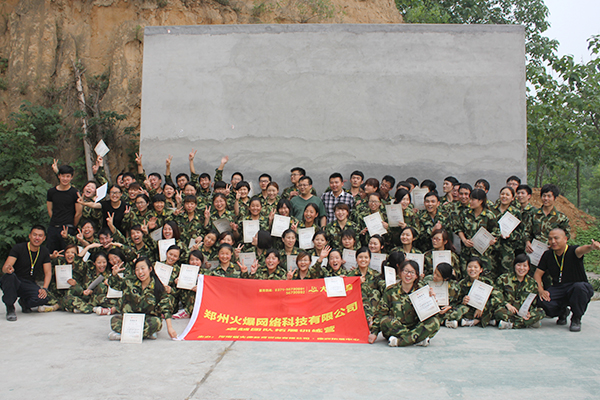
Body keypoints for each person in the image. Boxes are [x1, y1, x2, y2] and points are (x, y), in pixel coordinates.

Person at [534, 228, 598, 332]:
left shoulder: (573, 251)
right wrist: (541, 290)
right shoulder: (548, 254)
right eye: (550, 239)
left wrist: (591, 247)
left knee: (579, 288)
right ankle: (562, 312)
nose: (553, 241)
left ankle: (576, 318)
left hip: (577, 287)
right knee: (542, 301)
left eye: (556, 238)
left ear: (565, 239)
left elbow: (582, 250)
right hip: (559, 288)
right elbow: (537, 274)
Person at [368, 260, 441, 347]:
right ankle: (417, 339)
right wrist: (374, 332)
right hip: (396, 327)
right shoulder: (391, 290)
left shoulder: (422, 290)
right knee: (385, 321)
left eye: (412, 272)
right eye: (406, 271)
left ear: (416, 275)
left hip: (415, 326)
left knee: (435, 322)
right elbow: (381, 313)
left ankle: (399, 342)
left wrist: (432, 301)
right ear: (400, 273)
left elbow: (431, 315)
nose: (408, 275)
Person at [107, 256, 177, 340]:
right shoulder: (130, 282)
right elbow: (115, 284)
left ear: (150, 269)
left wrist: (170, 328)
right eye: (137, 269)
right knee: (114, 320)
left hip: (147, 319)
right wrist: (114, 274)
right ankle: (145, 334)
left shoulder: (158, 287)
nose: (140, 272)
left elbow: (166, 307)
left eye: (143, 268)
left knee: (156, 323)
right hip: (131, 319)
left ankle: (124, 335)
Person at [1, 226, 54, 321]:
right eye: (34, 235)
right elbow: (5, 268)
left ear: (44, 238)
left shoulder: (44, 251)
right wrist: (8, 269)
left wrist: (44, 288)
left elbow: (48, 272)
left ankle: (24, 302)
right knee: (9, 277)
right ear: (30, 236)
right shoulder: (18, 248)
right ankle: (10, 307)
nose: (37, 238)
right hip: (14, 280)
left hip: (28, 283)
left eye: (40, 236)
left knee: (43, 298)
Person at [494, 253, 545, 329]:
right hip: (508, 311)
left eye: (525, 266)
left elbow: (533, 302)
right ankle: (528, 323)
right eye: (519, 265)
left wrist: (529, 313)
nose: (521, 268)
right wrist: (507, 304)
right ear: (514, 266)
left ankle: (511, 325)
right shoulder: (503, 279)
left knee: (541, 312)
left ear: (529, 268)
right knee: (499, 312)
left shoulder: (532, 283)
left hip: (523, 312)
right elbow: (496, 294)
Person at [525, 184, 570, 253]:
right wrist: (527, 242)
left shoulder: (561, 218)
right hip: (534, 251)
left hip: (553, 251)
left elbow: (566, 234)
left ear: (555, 198)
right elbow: (527, 231)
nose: (546, 198)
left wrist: (556, 244)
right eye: (544, 196)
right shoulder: (533, 214)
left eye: (549, 196)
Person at [46, 165, 82, 252]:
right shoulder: (51, 192)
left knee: (68, 252)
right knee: (51, 253)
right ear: (59, 176)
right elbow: (50, 210)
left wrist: (72, 225)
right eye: (63, 176)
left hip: (68, 228)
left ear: (71, 177)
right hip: (53, 227)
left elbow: (78, 213)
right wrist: (55, 220)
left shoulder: (75, 192)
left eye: (68, 176)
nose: (65, 179)